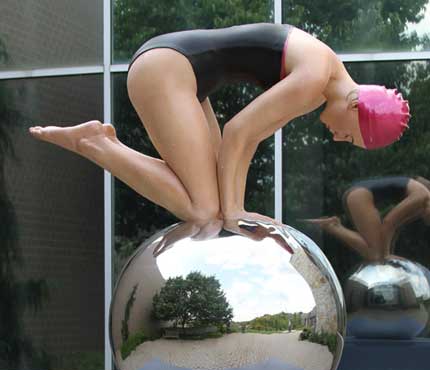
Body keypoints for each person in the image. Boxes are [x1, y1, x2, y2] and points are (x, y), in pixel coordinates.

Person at [28, 22, 410, 225]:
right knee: (203, 210)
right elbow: (238, 132)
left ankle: (98, 142)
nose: (340, 138)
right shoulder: (314, 76)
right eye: (350, 133)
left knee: (211, 205)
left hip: (187, 77)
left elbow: (248, 141)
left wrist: (235, 210)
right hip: (166, 68)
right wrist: (235, 212)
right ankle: (96, 143)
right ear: (356, 103)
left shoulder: (318, 86)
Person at [300, 176, 430, 262]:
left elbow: (394, 228)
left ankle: (334, 226)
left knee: (374, 254)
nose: (428, 223)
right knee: (377, 255)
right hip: (361, 196)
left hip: (363, 196)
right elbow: (389, 222)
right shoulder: (421, 197)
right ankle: (334, 226)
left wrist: (388, 253)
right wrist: (387, 255)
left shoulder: (422, 205)